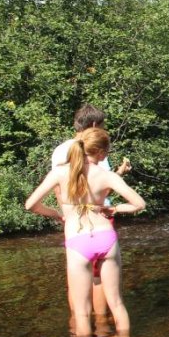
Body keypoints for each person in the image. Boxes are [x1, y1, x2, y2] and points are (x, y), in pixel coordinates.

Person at [25, 128, 146, 337]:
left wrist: (56, 214)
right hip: (106, 238)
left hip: (77, 240)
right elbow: (139, 204)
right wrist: (115, 208)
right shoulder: (107, 176)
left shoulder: (60, 172)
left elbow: (31, 205)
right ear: (101, 152)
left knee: (81, 313)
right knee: (117, 304)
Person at [52, 104, 132, 316]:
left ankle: (78, 324)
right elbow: (99, 189)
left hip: (72, 221)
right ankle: (102, 325)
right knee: (98, 276)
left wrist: (64, 215)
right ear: (95, 125)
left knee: (75, 275)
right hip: (98, 218)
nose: (104, 130)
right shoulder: (93, 147)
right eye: (103, 126)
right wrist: (118, 178)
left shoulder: (61, 150)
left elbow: (60, 188)